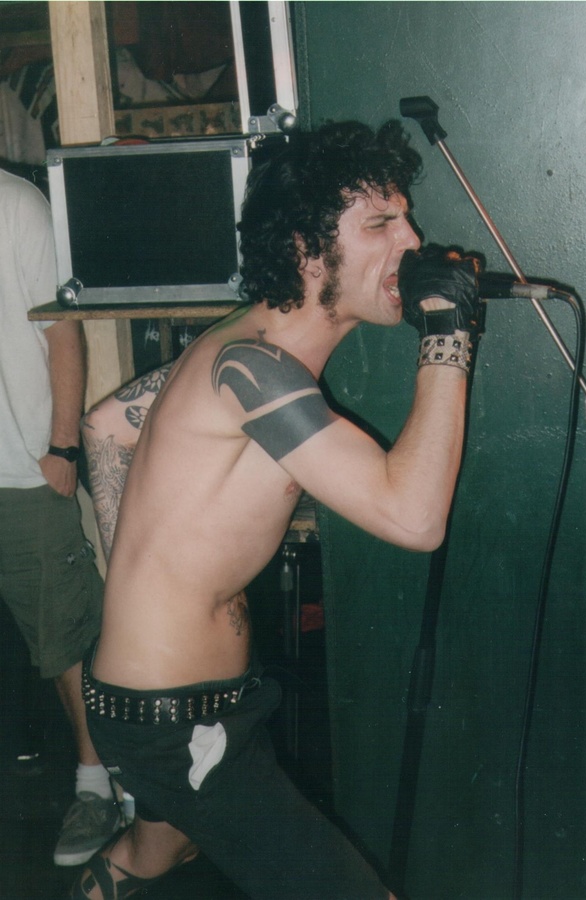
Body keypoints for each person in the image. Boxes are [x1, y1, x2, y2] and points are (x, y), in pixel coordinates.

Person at [73, 120, 482, 899]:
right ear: (305, 249)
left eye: (406, 219)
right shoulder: (252, 367)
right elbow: (415, 519)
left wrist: (138, 585)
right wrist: (447, 334)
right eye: (379, 224)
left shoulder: (243, 350)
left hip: (171, 705)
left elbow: (106, 424)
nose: (411, 241)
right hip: (173, 721)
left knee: (155, 854)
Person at [0, 165, 121, 867]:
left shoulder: (15, 204)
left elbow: (61, 331)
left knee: (63, 638)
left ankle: (99, 785)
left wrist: (62, 447)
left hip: (20, 471)